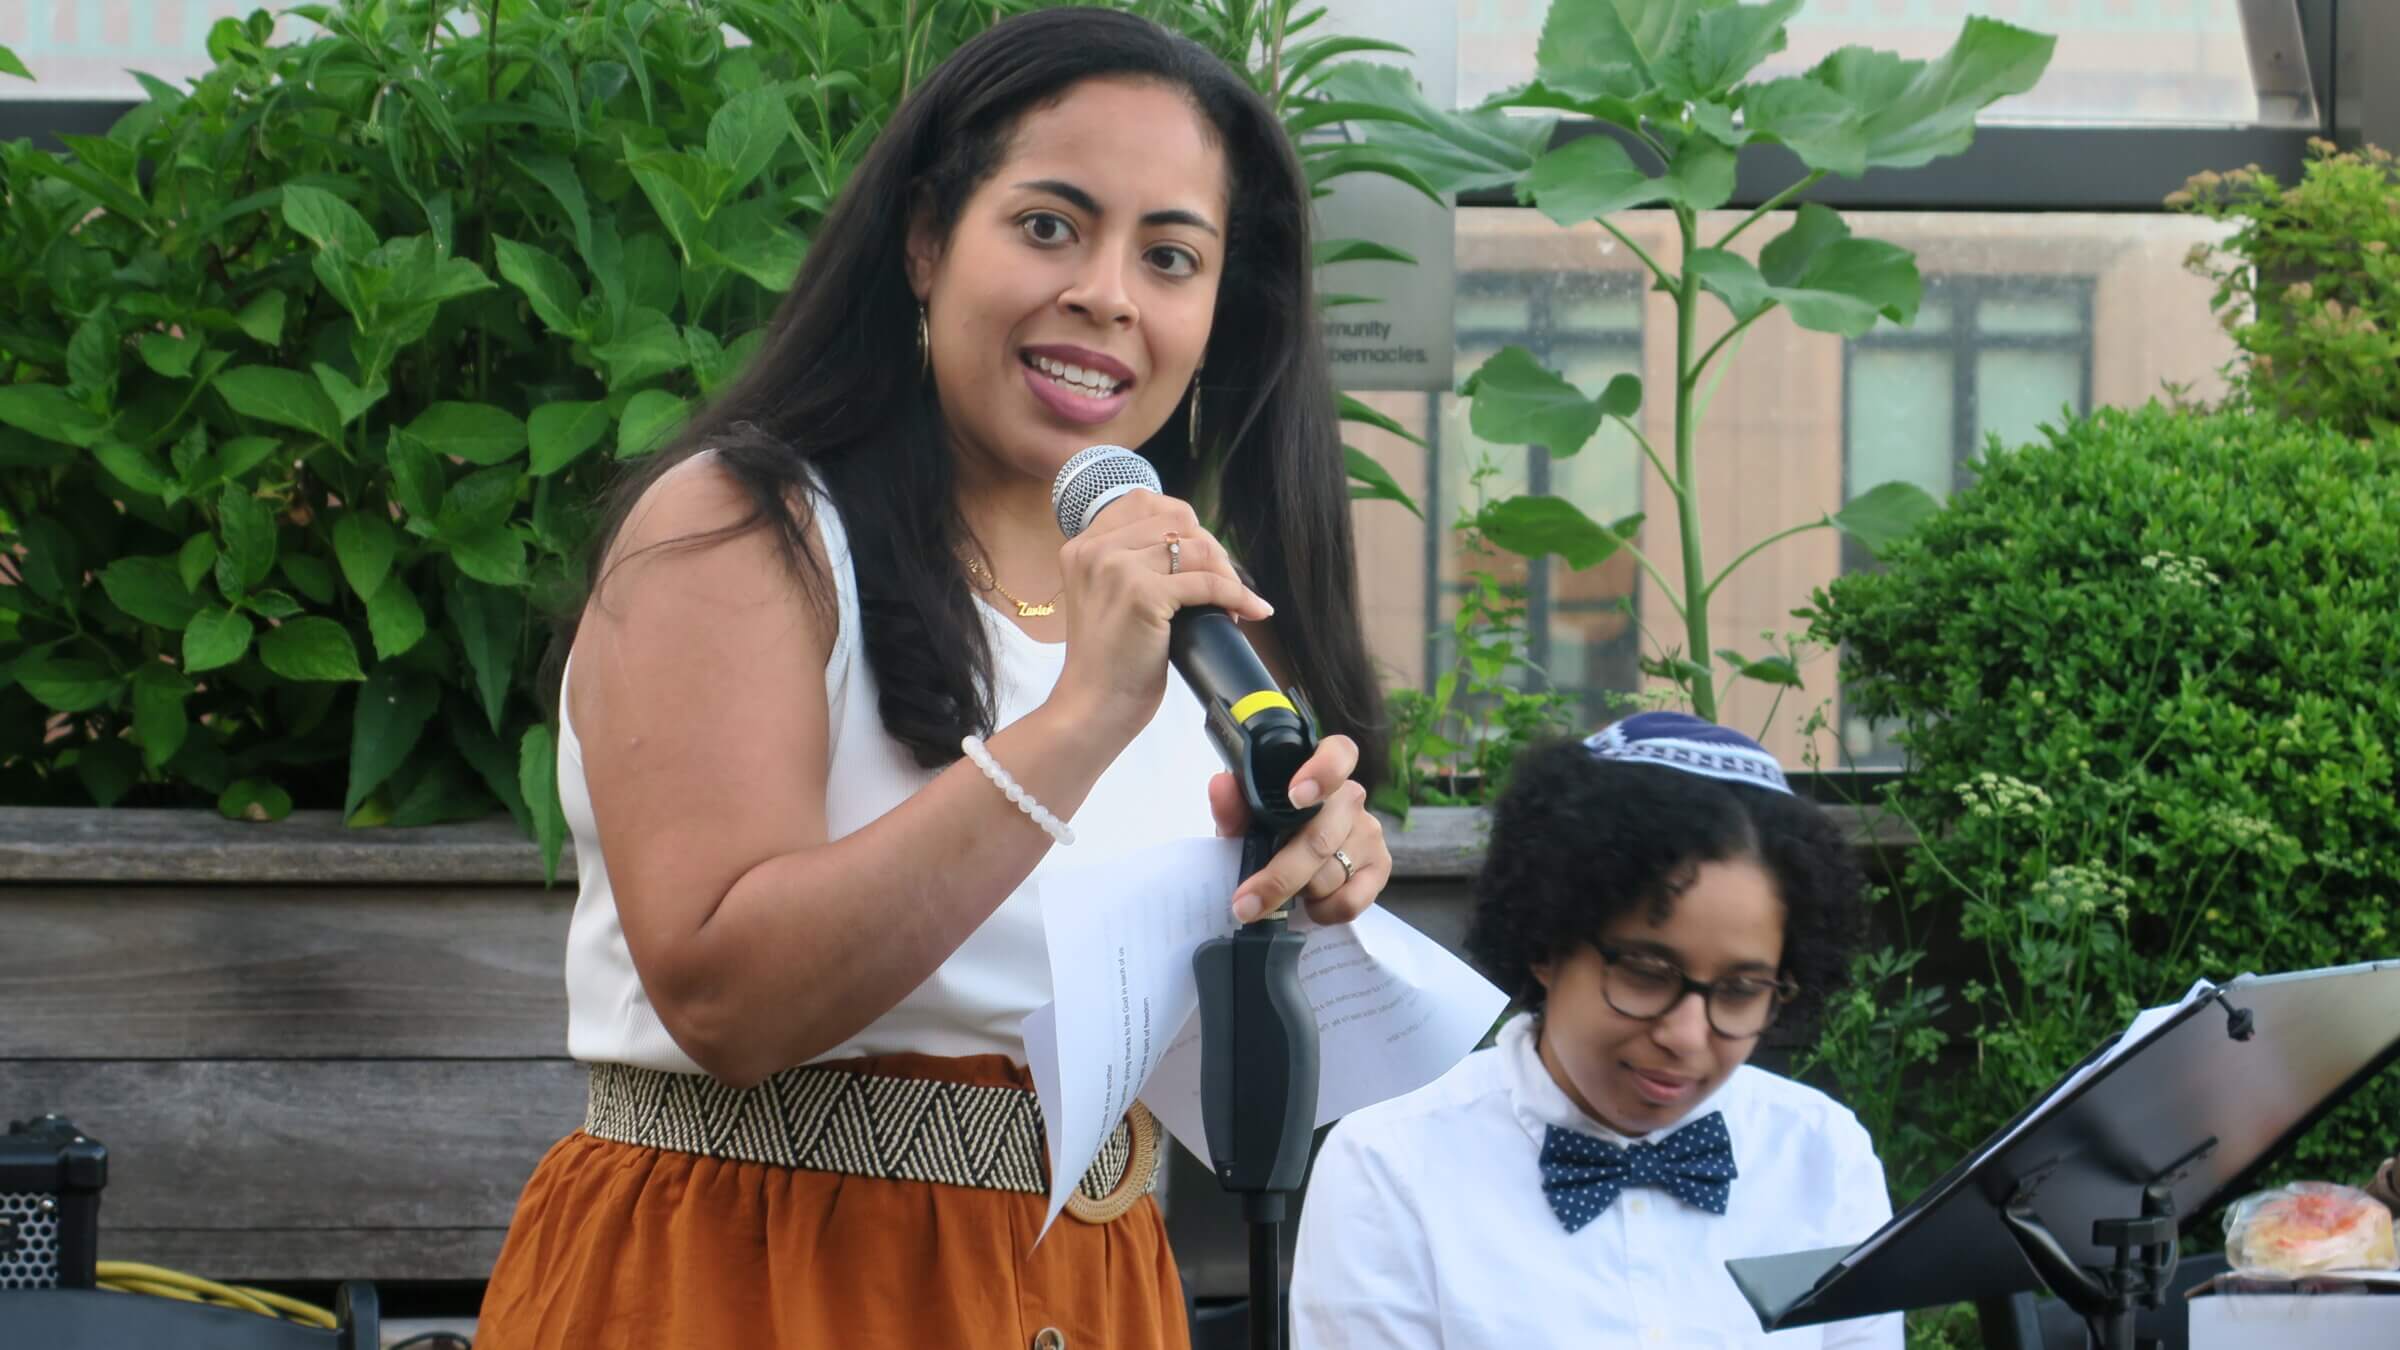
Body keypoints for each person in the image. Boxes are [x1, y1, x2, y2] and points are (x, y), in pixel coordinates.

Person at [475, 10, 1392, 1347]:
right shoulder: (738, 529)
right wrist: (1078, 720)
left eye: (1171, 256)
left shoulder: (1193, 609)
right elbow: (727, 1002)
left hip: (1090, 1287)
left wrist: (1296, 908)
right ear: (924, 240)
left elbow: (1135, 1040)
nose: (1108, 294)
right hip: (749, 1275)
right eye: (1048, 226)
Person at [1290, 713, 1899, 1348]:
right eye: (1646, 973)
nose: (1687, 1037)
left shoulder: (1823, 1157)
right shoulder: (1391, 1166)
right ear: (1546, 944)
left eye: (1742, 990)